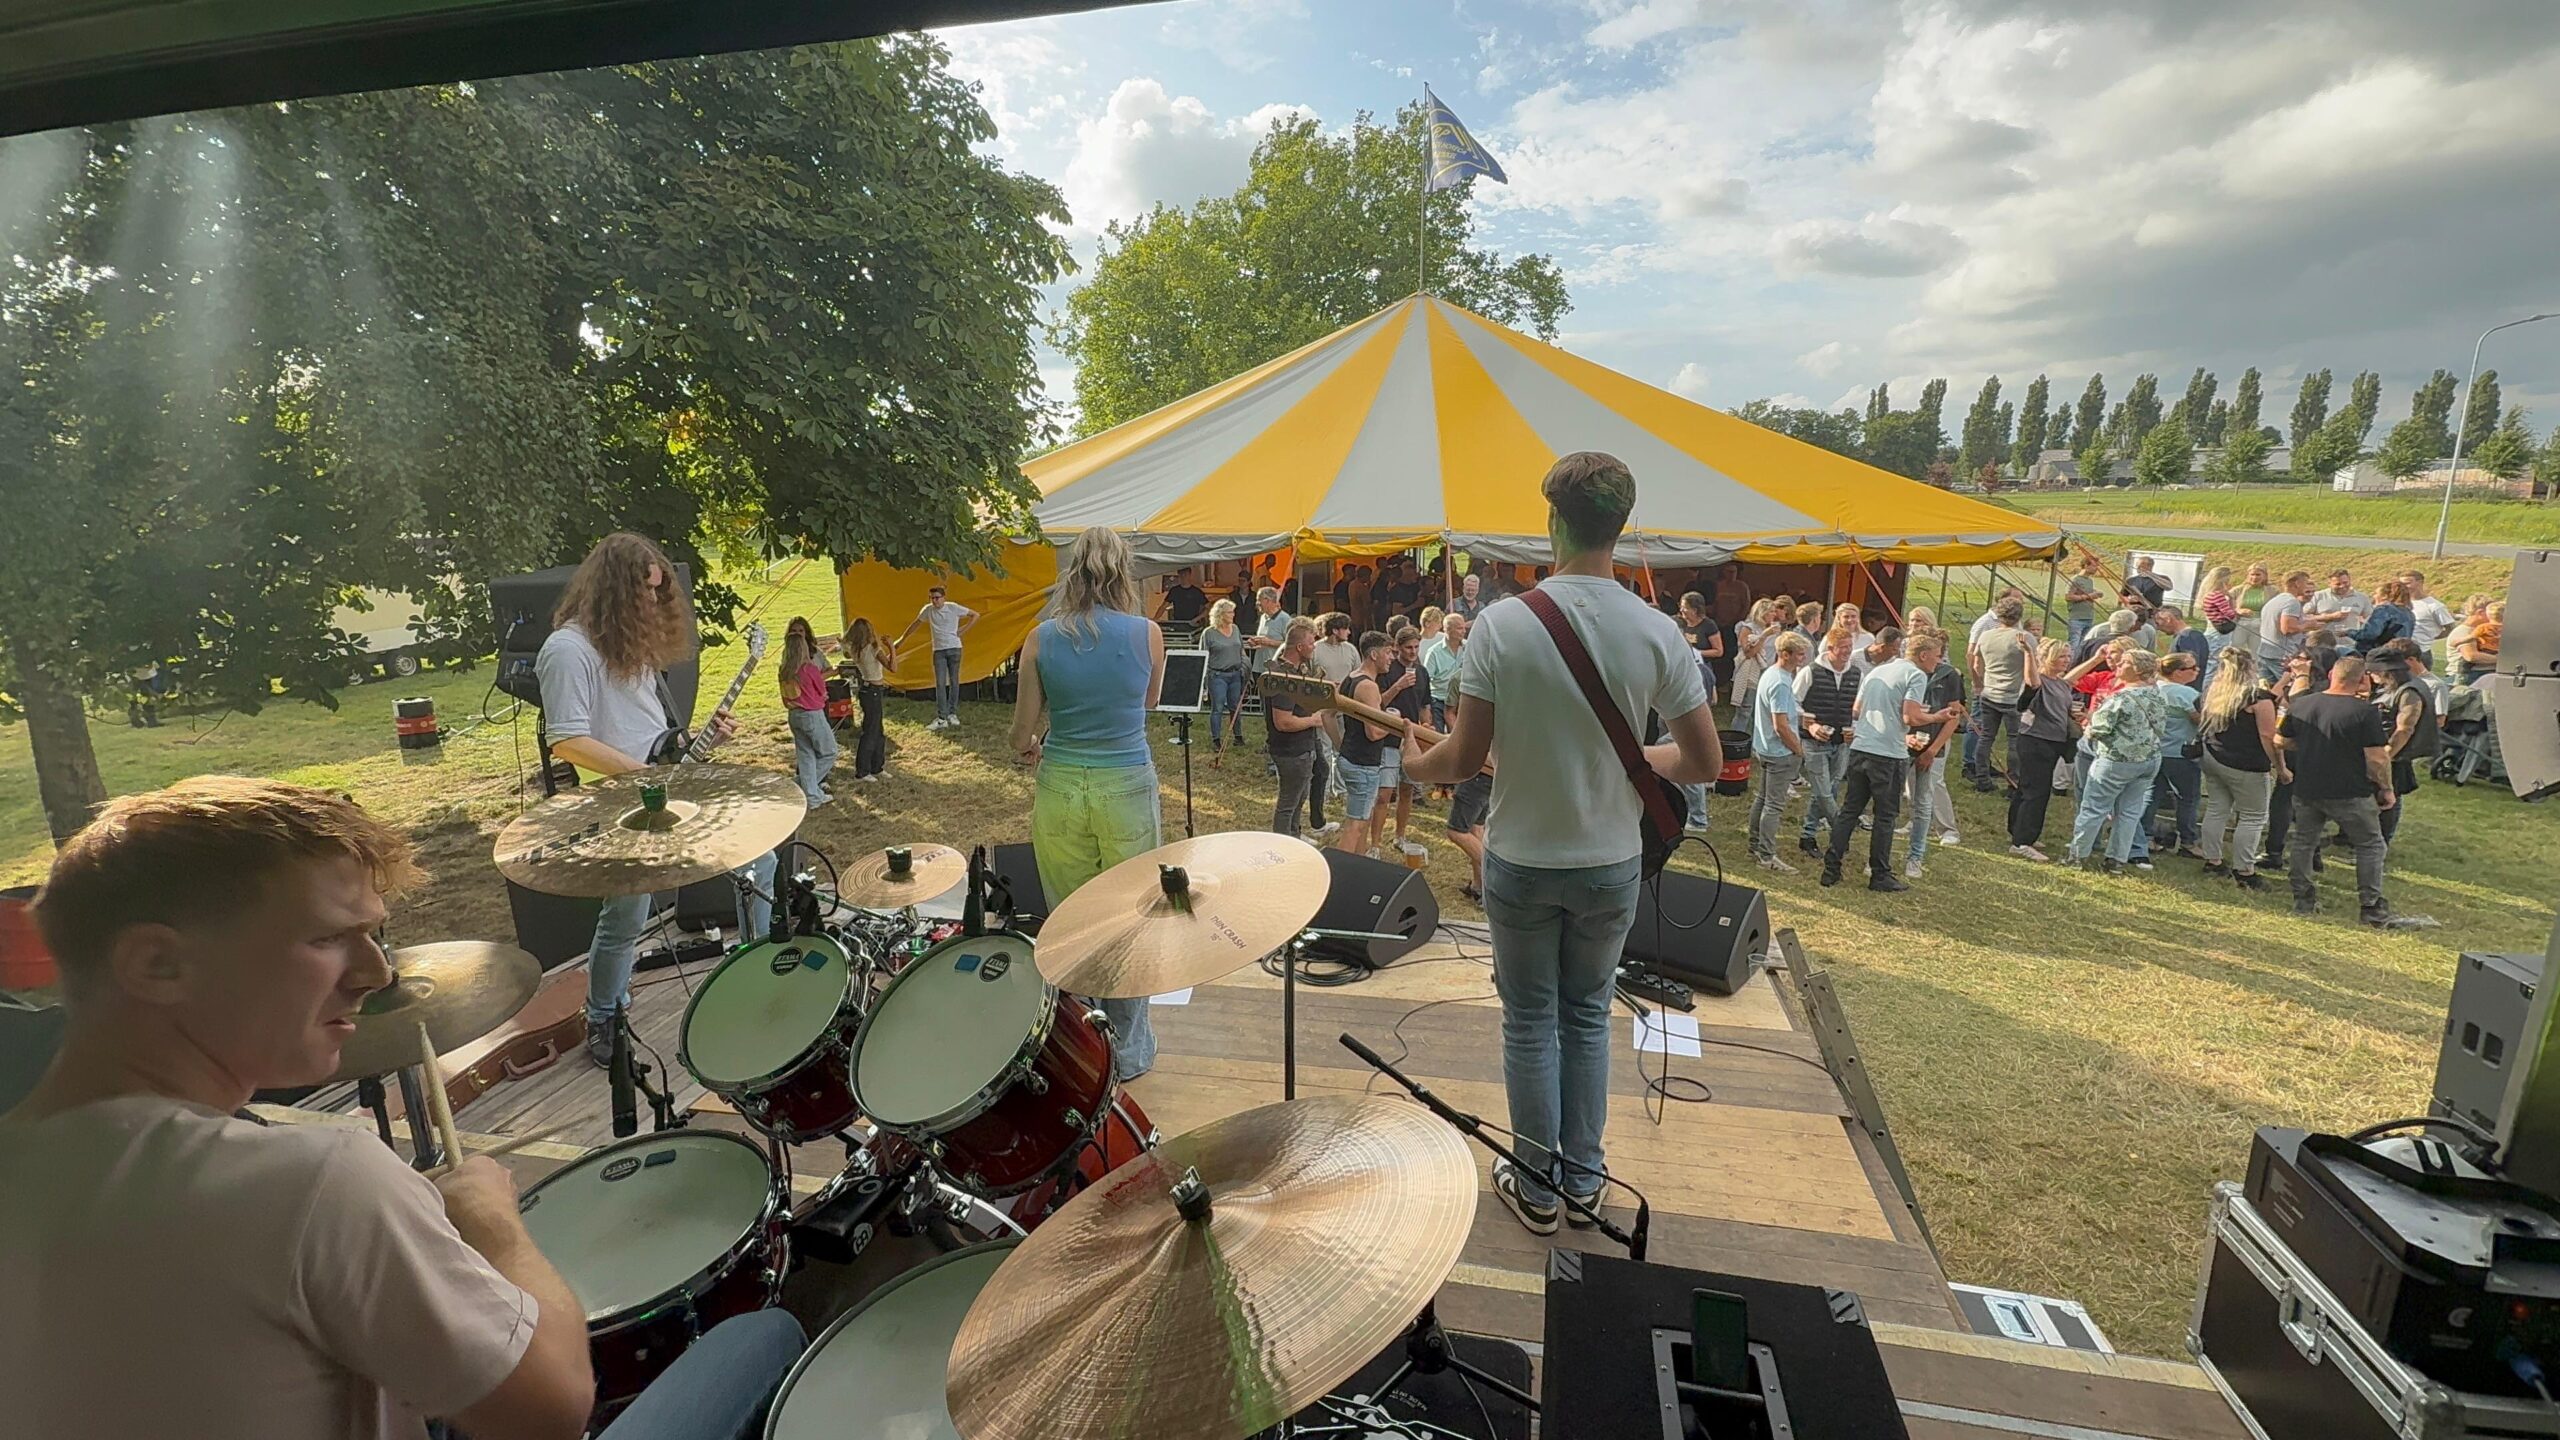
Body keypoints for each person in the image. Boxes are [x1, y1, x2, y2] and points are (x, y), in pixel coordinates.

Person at [0, 777, 809, 1440]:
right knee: (758, 1337)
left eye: (375, 936)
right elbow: (552, 1409)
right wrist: (491, 1222)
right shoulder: (309, 1184)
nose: (377, 974)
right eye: (327, 939)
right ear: (156, 964)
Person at [1404, 451, 1719, 1236]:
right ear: (1622, 526)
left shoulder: (1503, 626)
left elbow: (1463, 758)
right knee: (1586, 1015)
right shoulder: (1657, 630)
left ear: (1552, 522)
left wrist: (1413, 765)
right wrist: (1637, 759)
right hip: (1610, 863)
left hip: (1521, 861)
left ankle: (1538, 1186)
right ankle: (1584, 1178)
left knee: (1528, 1020)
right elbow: (1705, 763)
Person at [537, 534, 773, 1060]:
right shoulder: (568, 651)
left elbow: (649, 730)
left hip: (661, 784)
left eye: (657, 591)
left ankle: (755, 971)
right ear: (614, 590)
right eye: (643, 591)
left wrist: (696, 742)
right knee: (626, 914)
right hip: (619, 805)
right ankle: (604, 1015)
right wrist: (643, 776)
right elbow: (567, 740)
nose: (652, 601)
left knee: (759, 860)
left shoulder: (628, 645)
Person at [1009, 525, 1168, 1081]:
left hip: (1060, 784)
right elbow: (1148, 702)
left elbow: (1020, 735)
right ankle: (1129, 1049)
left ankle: (1080, 1044)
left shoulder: (1040, 638)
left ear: (1070, 573)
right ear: (1123, 573)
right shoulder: (1148, 633)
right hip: (1125, 781)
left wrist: (1033, 745)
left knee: (1071, 916)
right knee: (1132, 915)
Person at [2277, 655, 2423, 929]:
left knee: (2304, 842)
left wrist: (2309, 746)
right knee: (2371, 845)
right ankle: (2371, 906)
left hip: (2308, 787)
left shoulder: (2302, 703)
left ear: (2331, 675)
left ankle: (2303, 899)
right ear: (2362, 679)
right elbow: (2377, 758)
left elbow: (2281, 739)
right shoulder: (2363, 711)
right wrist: (2386, 788)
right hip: (2350, 791)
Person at [1823, 632, 1957, 893]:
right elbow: (1910, 718)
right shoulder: (1916, 675)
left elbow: (1857, 710)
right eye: (1937, 656)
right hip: (1888, 754)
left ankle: (1831, 868)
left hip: (1861, 747)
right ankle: (1880, 874)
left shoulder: (1879, 670)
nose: (1939, 661)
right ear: (1923, 655)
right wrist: (1936, 717)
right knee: (1885, 816)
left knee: (1850, 810)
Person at [2066, 648, 2172, 874]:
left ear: (2138, 670)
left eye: (2125, 662)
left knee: (2094, 808)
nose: (2119, 666)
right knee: (2129, 812)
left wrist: (2087, 721)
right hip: (2149, 759)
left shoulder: (2120, 698)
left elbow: (2098, 729)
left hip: (2116, 760)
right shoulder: (2159, 694)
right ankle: (2116, 860)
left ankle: (2077, 855)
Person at [2198, 644, 2283, 892]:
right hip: (2246, 764)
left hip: (2214, 755)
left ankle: (2212, 860)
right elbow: (2267, 736)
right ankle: (2244, 870)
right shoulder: (2257, 698)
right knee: (2253, 816)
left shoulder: (2214, 691)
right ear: (2251, 667)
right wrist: (2280, 767)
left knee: (2217, 808)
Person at [2004, 638, 2079, 861]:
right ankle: (2022, 841)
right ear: (2047, 658)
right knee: (2036, 792)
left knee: (2027, 788)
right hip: (2036, 741)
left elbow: (2073, 677)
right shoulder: (2040, 681)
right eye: (2061, 656)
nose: (2066, 660)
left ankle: (2017, 830)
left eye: (2068, 656)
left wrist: (2097, 658)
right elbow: (2032, 682)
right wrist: (2029, 653)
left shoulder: (2060, 683)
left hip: (2052, 741)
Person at [1902, 631, 1966, 877]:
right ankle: (1916, 824)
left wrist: (1933, 749)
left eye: (1941, 654)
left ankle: (1947, 830)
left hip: (1934, 741)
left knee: (1931, 786)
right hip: (1905, 741)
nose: (1938, 659)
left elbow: (1954, 715)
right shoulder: (1906, 672)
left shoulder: (1949, 675)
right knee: (1910, 789)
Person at [1794, 626, 1862, 857]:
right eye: (1843, 647)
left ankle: (1807, 835)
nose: (1847, 652)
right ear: (1830, 648)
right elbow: (1793, 702)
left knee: (1828, 789)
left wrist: (1855, 729)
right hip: (1814, 742)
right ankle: (1841, 832)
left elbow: (1859, 708)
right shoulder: (1810, 672)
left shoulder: (1856, 674)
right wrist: (1810, 724)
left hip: (1841, 742)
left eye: (1850, 647)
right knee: (1823, 792)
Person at [1329, 630, 1398, 859]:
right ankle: (1339, 870)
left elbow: (1327, 715)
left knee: (1362, 819)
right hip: (1363, 764)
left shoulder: (1351, 678)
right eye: (1388, 652)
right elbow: (1374, 733)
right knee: (1356, 824)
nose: (1391, 657)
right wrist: (1394, 722)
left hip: (1350, 757)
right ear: (1373, 654)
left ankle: (1356, 866)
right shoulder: (1369, 687)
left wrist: (1340, 746)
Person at [1747, 633, 1811, 872]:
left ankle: (1755, 845)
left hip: (1764, 748)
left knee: (1762, 799)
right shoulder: (1781, 682)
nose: (1803, 658)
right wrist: (1798, 749)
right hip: (1779, 752)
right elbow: (1781, 725)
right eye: (1799, 654)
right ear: (1785, 654)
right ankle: (1767, 856)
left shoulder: (1770, 674)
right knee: (1774, 805)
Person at [2368, 638, 2440, 849]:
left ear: (2386, 671)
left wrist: (2387, 756)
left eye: (2373, 672)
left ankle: (2381, 843)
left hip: (2395, 755)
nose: (2371, 676)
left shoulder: (2409, 691)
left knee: (2389, 798)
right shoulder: (2396, 687)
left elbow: (2405, 728)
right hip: (2384, 751)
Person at [1265, 619, 1328, 839]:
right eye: (1311, 643)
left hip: (1301, 747)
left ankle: (1295, 836)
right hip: (1291, 750)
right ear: (1299, 647)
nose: (1314, 647)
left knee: (1299, 797)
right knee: (1288, 803)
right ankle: (1283, 844)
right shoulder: (1284, 678)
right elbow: (1283, 722)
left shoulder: (1293, 671)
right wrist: (1314, 720)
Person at [1966, 595, 2033, 790]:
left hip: (1989, 693)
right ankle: (2013, 783)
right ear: (2019, 616)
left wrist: (1978, 683)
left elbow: (1976, 663)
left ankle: (1982, 779)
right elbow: (2034, 664)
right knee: (2014, 740)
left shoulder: (1986, 636)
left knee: (1986, 737)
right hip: (2014, 697)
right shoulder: (2024, 638)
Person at [2146, 650, 2206, 859]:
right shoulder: (2187, 694)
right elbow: (2201, 720)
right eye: (2192, 668)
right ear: (2178, 672)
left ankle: (2145, 836)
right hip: (2181, 753)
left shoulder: (2153, 689)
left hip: (2155, 750)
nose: (2197, 671)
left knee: (2152, 795)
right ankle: (2188, 842)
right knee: (2188, 798)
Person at [895, 584, 978, 731]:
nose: (934, 601)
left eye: (937, 598)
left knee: (954, 681)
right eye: (932, 598)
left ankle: (952, 713)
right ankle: (942, 717)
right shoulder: (928, 610)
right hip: (939, 650)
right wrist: (902, 639)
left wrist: (963, 630)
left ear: (943, 598)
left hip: (954, 648)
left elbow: (975, 615)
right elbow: (915, 624)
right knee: (940, 683)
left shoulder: (953, 607)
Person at [1675, 591, 1725, 829]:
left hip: (1698, 678)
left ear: (1696, 608)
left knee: (1684, 754)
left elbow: (1719, 651)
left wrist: (1695, 652)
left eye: (1685, 607)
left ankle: (1697, 816)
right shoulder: (1680, 624)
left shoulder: (1708, 626)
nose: (1682, 610)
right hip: (1690, 693)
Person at [1380, 626, 1432, 849]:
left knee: (1407, 789)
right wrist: (1398, 685)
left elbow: (1424, 704)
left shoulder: (1422, 672)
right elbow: (1378, 702)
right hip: (1389, 738)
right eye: (1408, 647)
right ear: (1397, 647)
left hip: (1412, 738)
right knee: (1384, 793)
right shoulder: (1387, 669)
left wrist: (1426, 726)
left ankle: (1400, 837)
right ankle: (1375, 842)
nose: (1413, 652)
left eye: (1416, 647)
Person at [777, 616, 838, 808]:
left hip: (794, 715)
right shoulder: (809, 668)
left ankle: (808, 793)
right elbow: (822, 690)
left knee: (806, 755)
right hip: (812, 714)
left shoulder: (784, 670)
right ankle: (807, 790)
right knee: (829, 752)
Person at [839, 617, 895, 782]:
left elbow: (844, 646)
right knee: (872, 731)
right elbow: (892, 667)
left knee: (875, 729)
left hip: (866, 689)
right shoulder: (873, 649)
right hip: (874, 690)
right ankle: (863, 770)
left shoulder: (854, 649)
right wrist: (891, 647)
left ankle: (876, 766)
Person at [1201, 597, 1249, 764]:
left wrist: (1245, 667)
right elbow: (1203, 655)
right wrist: (1204, 681)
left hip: (1235, 674)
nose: (1233, 615)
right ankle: (1216, 739)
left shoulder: (1235, 629)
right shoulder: (1209, 633)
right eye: (1230, 612)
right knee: (1218, 707)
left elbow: (1241, 649)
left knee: (1235, 706)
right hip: (1217, 675)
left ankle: (1238, 736)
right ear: (1221, 614)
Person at [2256, 570, 2317, 683]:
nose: (2306, 586)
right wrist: (2308, 625)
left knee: (2268, 688)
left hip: (2265, 653)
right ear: (2297, 583)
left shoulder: (2274, 601)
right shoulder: (2292, 602)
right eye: (2305, 583)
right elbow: (2288, 628)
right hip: (2282, 656)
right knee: (2289, 687)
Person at [2346, 577, 2413, 655]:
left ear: (2384, 596)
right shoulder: (2408, 613)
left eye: (2376, 593)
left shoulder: (2383, 609)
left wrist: (2349, 632)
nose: (2374, 596)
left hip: (2377, 653)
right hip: (2399, 653)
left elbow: (2370, 634)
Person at [1731, 598, 1775, 706]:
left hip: (1767, 670)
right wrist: (1764, 636)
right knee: (1746, 708)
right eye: (1771, 611)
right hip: (1750, 672)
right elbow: (1749, 654)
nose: (1774, 614)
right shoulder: (1748, 628)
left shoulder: (1772, 628)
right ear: (1762, 613)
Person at [2402, 571, 2456, 655]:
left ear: (2420, 583)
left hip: (2421, 652)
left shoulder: (2435, 606)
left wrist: (2430, 638)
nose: (2404, 587)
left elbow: (2450, 628)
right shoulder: (2400, 603)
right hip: (2400, 651)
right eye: (2402, 584)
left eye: (2407, 583)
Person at [2449, 595, 2500, 684]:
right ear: (2481, 613)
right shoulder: (2464, 631)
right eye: (2494, 614)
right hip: (2469, 675)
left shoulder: (2485, 629)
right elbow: (2471, 656)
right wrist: (2503, 660)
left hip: (2486, 673)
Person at [2156, 606, 2210, 684]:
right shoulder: (2186, 636)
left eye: (2158, 623)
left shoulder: (2187, 637)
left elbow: (2189, 666)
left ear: (2168, 619)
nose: (2157, 628)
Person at [2197, 566, 2240, 659]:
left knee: (2211, 653)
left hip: (2212, 625)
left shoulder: (2209, 595)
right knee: (2217, 655)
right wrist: (2237, 609)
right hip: (2220, 629)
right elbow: (2229, 614)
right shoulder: (2217, 596)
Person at [2064, 558, 2102, 649]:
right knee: (2074, 644)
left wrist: (2096, 594)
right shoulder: (2075, 580)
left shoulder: (2090, 581)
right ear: (2085, 566)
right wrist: (2089, 596)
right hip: (2076, 618)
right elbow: (2068, 597)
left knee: (2084, 645)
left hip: (2089, 617)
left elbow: (2087, 594)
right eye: (2094, 566)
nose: (2096, 568)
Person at [1158, 568, 1208, 634]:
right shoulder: (1174, 591)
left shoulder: (1197, 592)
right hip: (1178, 625)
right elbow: (1163, 606)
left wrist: (1196, 619)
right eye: (1181, 574)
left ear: (1190, 575)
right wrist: (1155, 619)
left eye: (1185, 574)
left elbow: (1209, 608)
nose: (1183, 577)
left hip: (1193, 626)